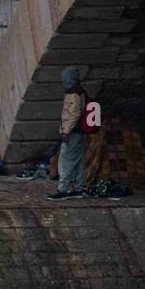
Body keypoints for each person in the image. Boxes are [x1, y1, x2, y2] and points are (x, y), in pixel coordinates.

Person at [48, 66, 87, 201]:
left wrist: (65, 131)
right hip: (77, 132)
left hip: (72, 133)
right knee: (76, 162)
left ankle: (62, 190)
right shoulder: (78, 91)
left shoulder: (73, 93)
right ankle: (78, 188)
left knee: (65, 161)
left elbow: (73, 114)